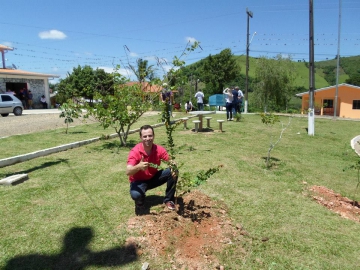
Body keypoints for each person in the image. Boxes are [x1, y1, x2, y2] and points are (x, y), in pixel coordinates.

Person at [126, 125, 178, 213]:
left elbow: (170, 161)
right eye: (145, 136)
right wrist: (139, 166)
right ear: (141, 137)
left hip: (153, 178)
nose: (148, 138)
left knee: (171, 171)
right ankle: (140, 201)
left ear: (153, 136)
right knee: (136, 195)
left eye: (150, 135)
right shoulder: (135, 151)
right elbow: (128, 171)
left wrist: (174, 166)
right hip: (139, 182)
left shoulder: (159, 149)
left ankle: (169, 200)